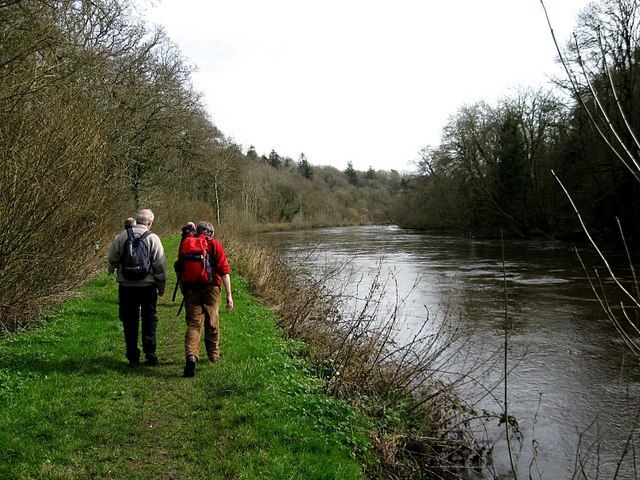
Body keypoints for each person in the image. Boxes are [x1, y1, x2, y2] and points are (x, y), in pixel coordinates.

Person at [108, 209, 167, 366]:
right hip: (148, 285)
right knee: (149, 318)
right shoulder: (153, 238)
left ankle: (133, 356)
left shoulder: (121, 236)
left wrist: (113, 272)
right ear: (150, 222)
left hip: (126, 286)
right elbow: (159, 265)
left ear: (136, 220)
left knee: (129, 320)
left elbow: (112, 259)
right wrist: (161, 286)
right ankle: (150, 353)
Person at [177, 220, 233, 377]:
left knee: (194, 325)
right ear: (211, 233)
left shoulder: (187, 242)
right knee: (212, 319)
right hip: (212, 288)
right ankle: (213, 354)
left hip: (191, 289)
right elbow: (224, 271)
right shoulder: (214, 244)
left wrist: (183, 289)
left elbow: (178, 267)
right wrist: (229, 295)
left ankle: (191, 356)